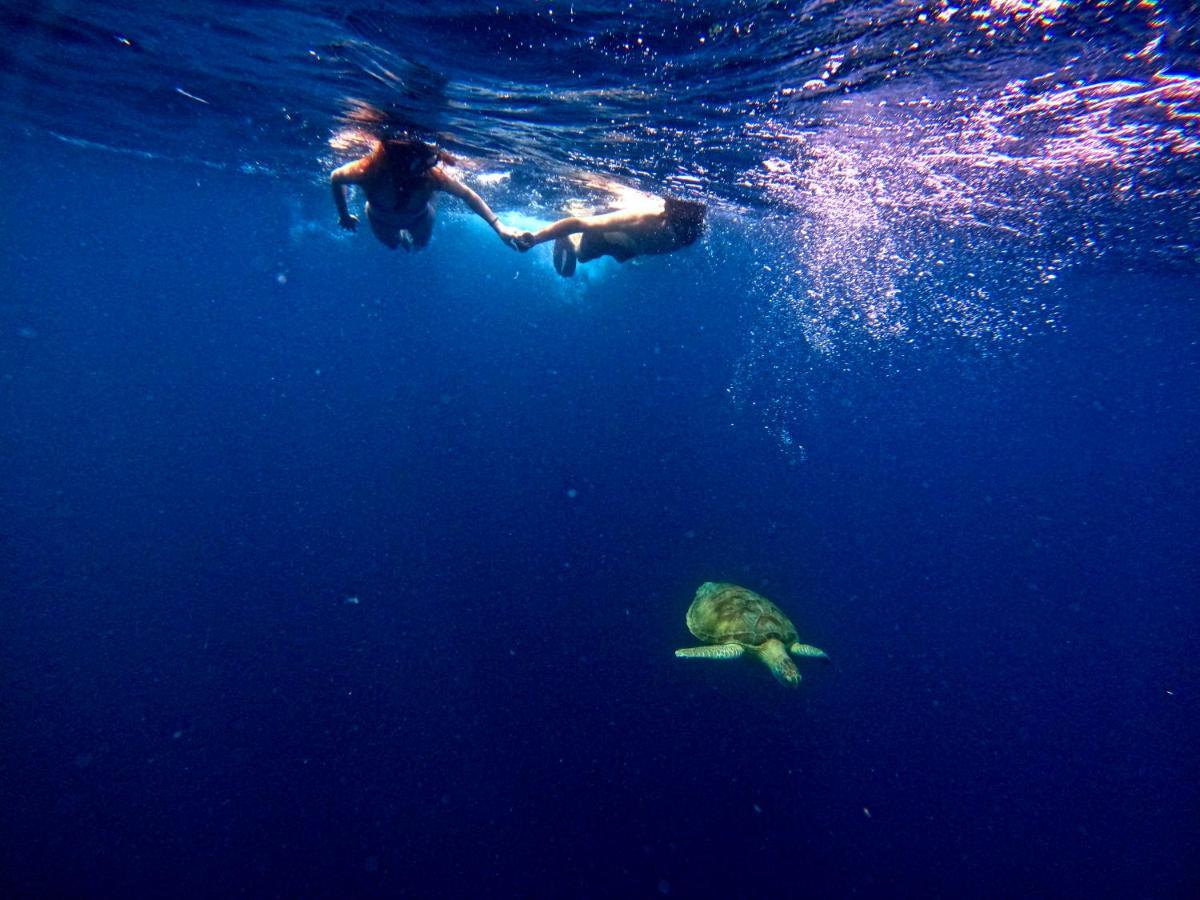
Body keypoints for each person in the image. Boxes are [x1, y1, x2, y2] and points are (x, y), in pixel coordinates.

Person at [331, 138, 519, 251]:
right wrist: (344, 215)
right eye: (420, 164)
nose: (425, 168)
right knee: (393, 245)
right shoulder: (368, 171)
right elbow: (335, 178)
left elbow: (468, 195)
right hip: (381, 219)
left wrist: (499, 227)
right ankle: (403, 232)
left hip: (419, 219)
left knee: (419, 245)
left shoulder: (431, 176)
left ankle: (429, 205)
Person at [514, 197, 707, 276]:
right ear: (668, 213)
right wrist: (536, 239)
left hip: (632, 247)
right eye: (680, 222)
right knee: (582, 256)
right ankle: (567, 239)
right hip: (609, 233)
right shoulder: (643, 219)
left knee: (622, 257)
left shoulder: (694, 228)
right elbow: (578, 223)